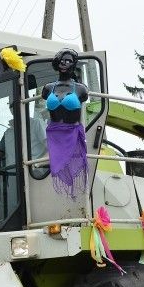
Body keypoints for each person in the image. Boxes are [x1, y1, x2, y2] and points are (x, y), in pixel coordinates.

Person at [41, 48, 89, 199]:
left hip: (72, 134)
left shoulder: (81, 89)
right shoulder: (48, 88)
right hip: (54, 135)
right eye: (62, 60)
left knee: (75, 166)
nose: (64, 63)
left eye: (68, 61)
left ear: (74, 64)